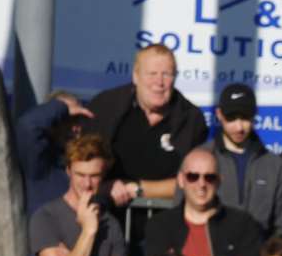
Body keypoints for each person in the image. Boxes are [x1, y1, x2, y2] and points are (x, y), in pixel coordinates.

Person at [83, 44, 208, 207]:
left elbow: (195, 181)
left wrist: (137, 188)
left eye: (166, 74)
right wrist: (104, 185)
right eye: (152, 73)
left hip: (167, 222)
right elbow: (81, 166)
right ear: (135, 76)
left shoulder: (191, 119)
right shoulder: (105, 107)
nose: (159, 82)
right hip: (108, 217)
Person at [211, 84, 282, 239]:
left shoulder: (275, 165)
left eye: (245, 118)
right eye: (231, 118)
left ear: (255, 115)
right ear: (219, 114)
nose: (239, 127)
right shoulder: (201, 159)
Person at [14, 90, 95, 212]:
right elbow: (28, 127)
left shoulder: (89, 162)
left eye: (77, 119)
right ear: (50, 123)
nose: (74, 128)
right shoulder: (40, 162)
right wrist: (62, 108)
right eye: (67, 119)